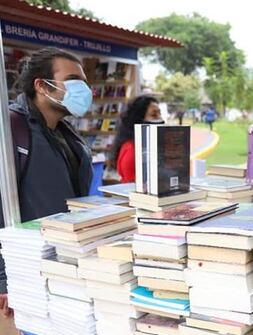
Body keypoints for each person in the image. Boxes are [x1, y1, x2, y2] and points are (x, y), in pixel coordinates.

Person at [0, 47, 95, 317]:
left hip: (63, 261)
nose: (84, 90)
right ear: (42, 86)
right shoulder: (10, 130)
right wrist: (5, 278)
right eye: (75, 80)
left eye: (85, 83)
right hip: (27, 266)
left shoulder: (67, 134)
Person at [113, 96, 162, 183]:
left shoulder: (153, 144)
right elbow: (131, 184)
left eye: (160, 113)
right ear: (139, 120)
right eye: (153, 115)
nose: (160, 119)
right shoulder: (131, 149)